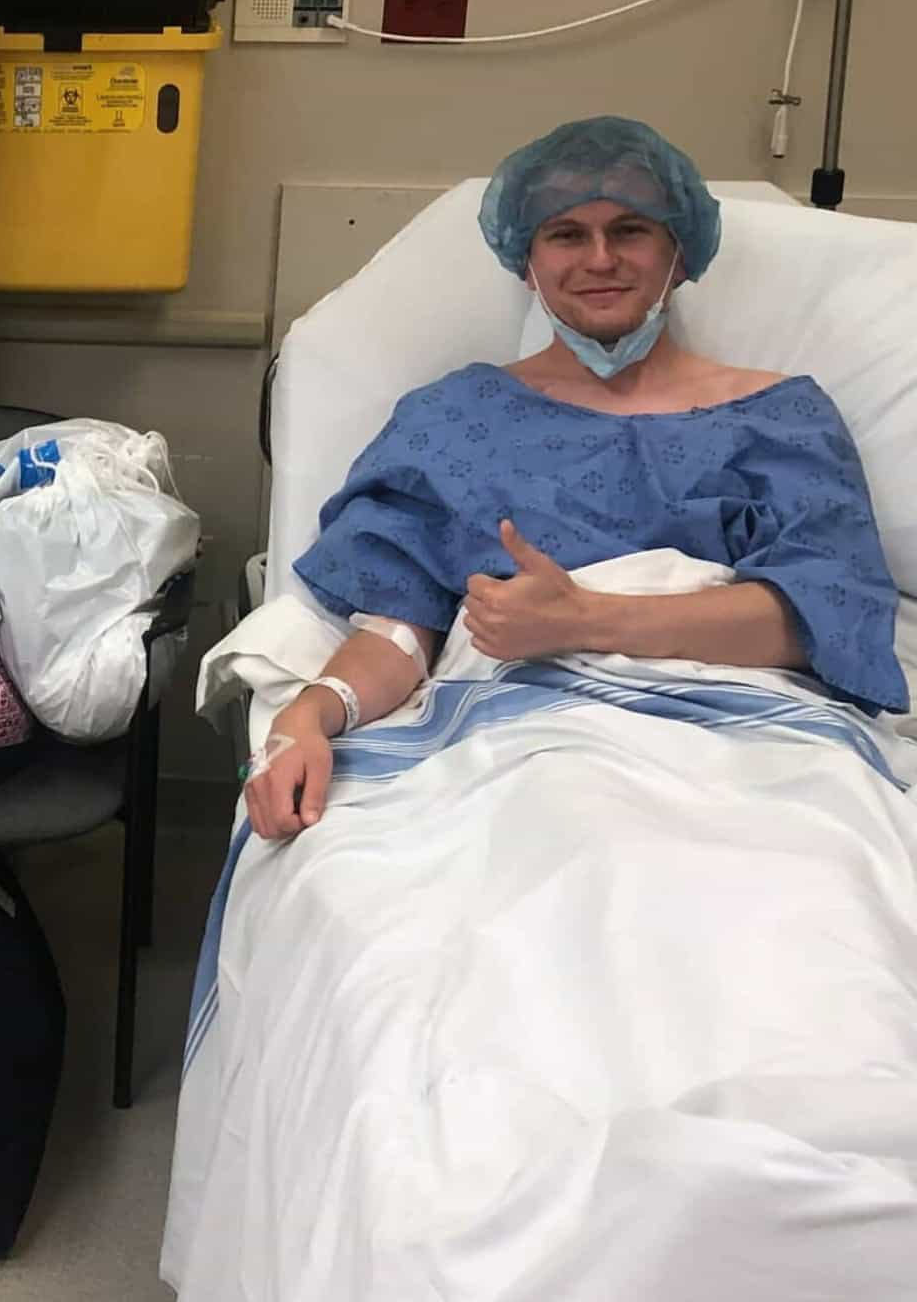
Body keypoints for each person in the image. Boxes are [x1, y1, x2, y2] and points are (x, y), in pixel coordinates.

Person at [245, 115, 907, 841]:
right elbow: (400, 628)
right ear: (526, 262)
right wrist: (309, 714)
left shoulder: (781, 418)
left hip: (747, 749)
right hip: (515, 747)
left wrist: (582, 619)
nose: (600, 259)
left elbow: (822, 618)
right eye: (566, 234)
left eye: (630, 230)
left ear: (679, 253)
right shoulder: (454, 418)